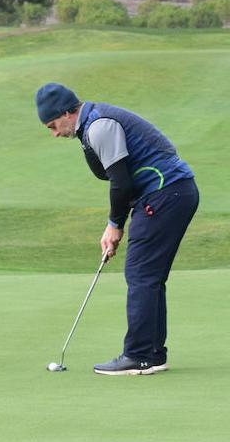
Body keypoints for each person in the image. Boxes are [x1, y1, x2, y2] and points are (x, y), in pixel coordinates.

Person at [36, 83, 199, 375]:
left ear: (66, 113)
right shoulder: (93, 124)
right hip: (172, 193)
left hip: (164, 192)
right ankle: (152, 354)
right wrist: (116, 225)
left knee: (140, 274)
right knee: (149, 277)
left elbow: (121, 183)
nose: (55, 133)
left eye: (53, 125)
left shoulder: (99, 126)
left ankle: (138, 355)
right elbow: (120, 181)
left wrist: (114, 225)